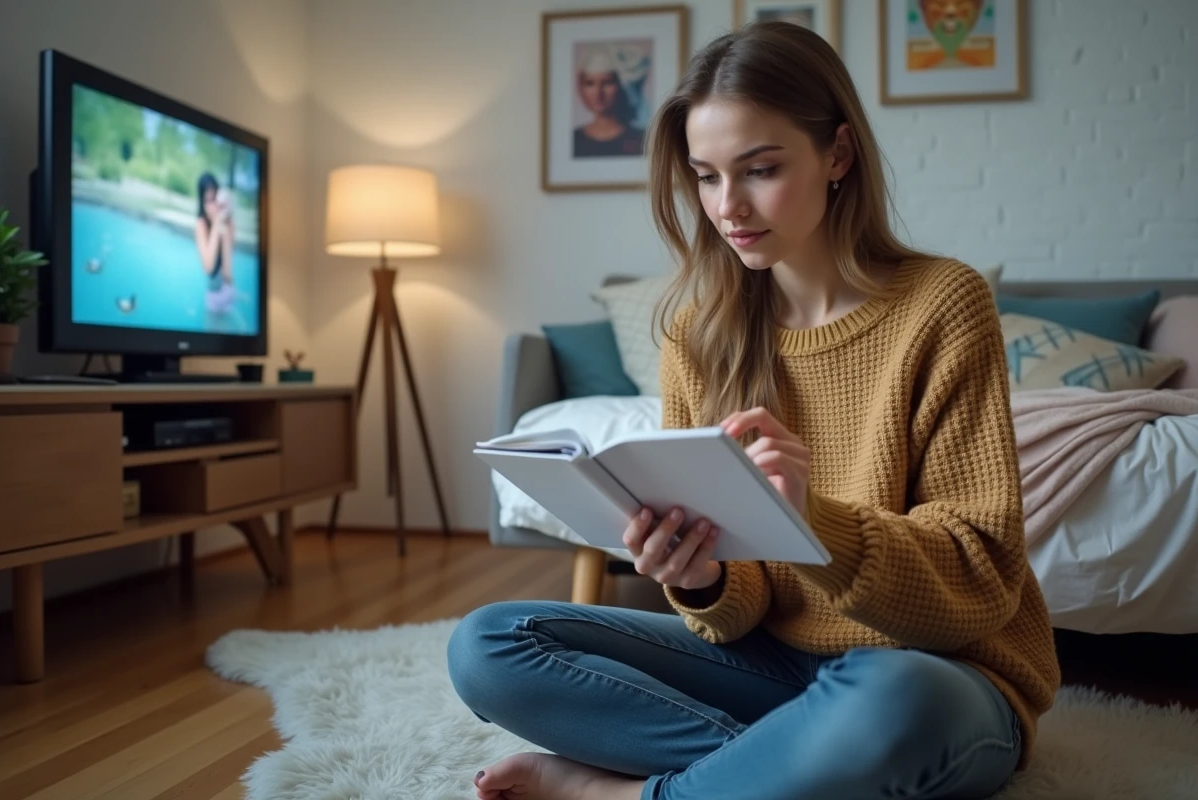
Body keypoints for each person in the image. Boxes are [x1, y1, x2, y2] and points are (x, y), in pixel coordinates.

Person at [448, 21, 1060, 800]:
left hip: (938, 673)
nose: (727, 206)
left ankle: (627, 793)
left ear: (837, 154)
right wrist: (698, 577)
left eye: (760, 169)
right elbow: (736, 616)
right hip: (777, 667)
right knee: (489, 643)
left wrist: (816, 522)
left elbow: (979, 589)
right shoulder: (698, 337)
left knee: (892, 703)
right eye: (705, 176)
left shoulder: (943, 305)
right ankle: (784, 769)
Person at [573, 46, 645, 158]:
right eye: (590, 83)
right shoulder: (572, 140)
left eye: (607, 82)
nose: (598, 93)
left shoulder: (642, 139)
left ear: (623, 86)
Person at [193, 171, 236, 318]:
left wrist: (228, 215)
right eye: (208, 200)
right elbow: (209, 267)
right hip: (214, 297)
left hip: (228, 291)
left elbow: (227, 269)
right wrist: (217, 225)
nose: (213, 206)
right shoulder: (201, 225)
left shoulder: (225, 220)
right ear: (202, 202)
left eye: (215, 199)